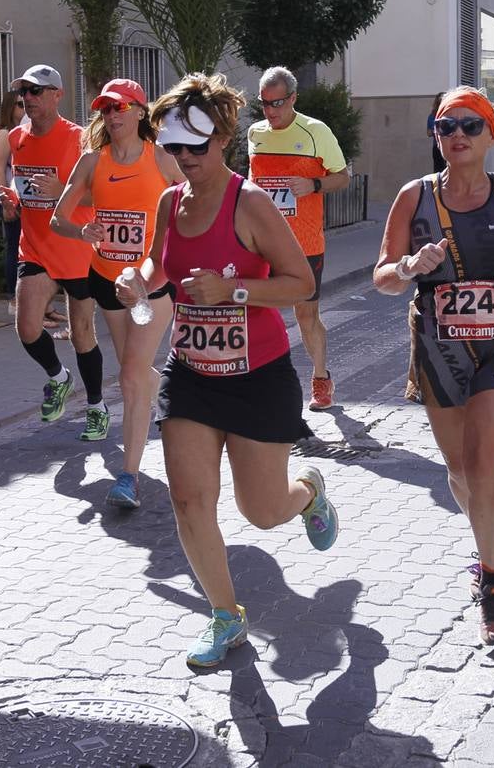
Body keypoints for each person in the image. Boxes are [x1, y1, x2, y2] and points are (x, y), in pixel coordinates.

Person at [116, 73, 339, 668]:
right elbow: (159, 265)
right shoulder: (169, 202)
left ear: (222, 140)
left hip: (257, 375)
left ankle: (310, 490)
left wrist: (233, 290)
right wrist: (138, 277)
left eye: (196, 148)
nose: (185, 159)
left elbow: (303, 282)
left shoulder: (252, 203)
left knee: (261, 512)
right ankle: (225, 615)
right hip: (191, 371)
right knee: (190, 503)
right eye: (175, 149)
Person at [374, 86, 494, 645]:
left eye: (469, 126)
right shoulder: (415, 196)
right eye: (445, 126)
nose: (456, 135)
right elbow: (381, 276)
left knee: (482, 461)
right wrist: (408, 265)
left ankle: (493, 583)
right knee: (459, 469)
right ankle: (491, 541)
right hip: (437, 346)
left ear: (490, 134)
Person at [51, 79, 184, 508]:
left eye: (120, 107)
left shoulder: (161, 159)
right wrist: (82, 230)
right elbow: (58, 219)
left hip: (152, 283)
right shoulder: (93, 161)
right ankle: (174, 397)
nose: (111, 116)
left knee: (129, 374)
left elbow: (195, 204)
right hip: (106, 279)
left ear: (140, 111)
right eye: (105, 110)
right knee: (137, 372)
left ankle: (128, 477)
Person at [0, 65, 106, 431]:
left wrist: (63, 191)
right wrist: (11, 199)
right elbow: (23, 185)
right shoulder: (16, 138)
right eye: (24, 91)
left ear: (57, 95)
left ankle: (97, 406)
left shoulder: (80, 139)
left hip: (76, 248)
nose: (28, 98)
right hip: (35, 248)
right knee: (27, 327)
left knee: (81, 335)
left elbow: (102, 195)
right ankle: (58, 378)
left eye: (36, 91)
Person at [247, 66, 351, 411]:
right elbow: (252, 182)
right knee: (257, 313)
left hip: (304, 243)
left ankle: (321, 379)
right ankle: (260, 383)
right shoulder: (255, 133)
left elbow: (343, 176)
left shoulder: (315, 132)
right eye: (264, 104)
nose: (271, 111)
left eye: (277, 103)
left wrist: (314, 185)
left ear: (293, 98)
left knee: (305, 315)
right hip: (262, 243)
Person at [0, 89, 25, 316]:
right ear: (10, 108)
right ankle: (14, 300)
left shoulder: (22, 132)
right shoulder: (4, 134)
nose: (25, 108)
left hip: (25, 199)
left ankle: (38, 304)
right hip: (11, 200)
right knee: (14, 248)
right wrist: (7, 202)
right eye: (20, 104)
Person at [426, 92, 446, 172]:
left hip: (450, 146)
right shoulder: (432, 116)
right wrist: (436, 129)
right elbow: (428, 133)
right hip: (438, 147)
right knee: (438, 171)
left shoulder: (450, 114)